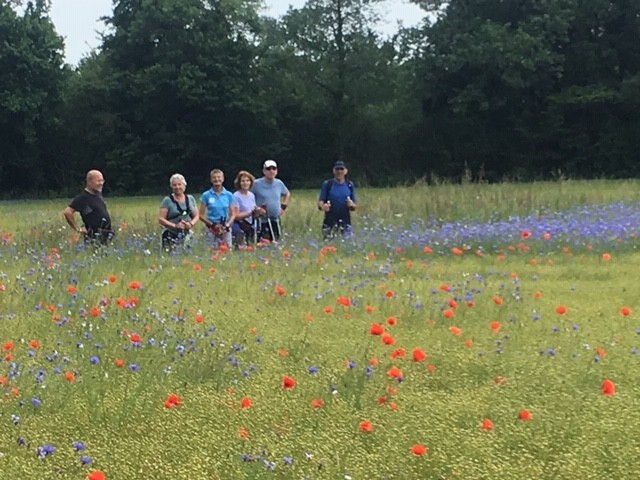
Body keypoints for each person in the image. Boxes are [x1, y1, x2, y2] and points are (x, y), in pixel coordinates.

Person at [63, 169, 114, 244]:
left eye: (102, 181)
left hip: (106, 235)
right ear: (89, 181)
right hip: (93, 237)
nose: (101, 183)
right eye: (98, 181)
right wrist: (77, 229)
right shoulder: (82, 198)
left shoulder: (98, 195)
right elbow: (67, 212)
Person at [251, 160, 290, 241]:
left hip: (275, 219)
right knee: (263, 242)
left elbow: (287, 193)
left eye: (274, 168)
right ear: (264, 171)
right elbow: (248, 197)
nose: (271, 171)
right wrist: (256, 208)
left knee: (276, 241)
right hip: (262, 219)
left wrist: (283, 206)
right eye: (268, 169)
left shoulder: (279, 183)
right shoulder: (256, 184)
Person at [158, 173, 200, 250]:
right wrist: (175, 226)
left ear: (184, 185)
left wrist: (190, 224)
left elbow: (196, 216)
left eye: (179, 184)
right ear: (171, 187)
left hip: (187, 233)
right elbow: (161, 219)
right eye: (174, 185)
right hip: (170, 233)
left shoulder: (190, 199)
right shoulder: (167, 200)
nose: (177, 187)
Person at [318, 160, 357, 239]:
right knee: (328, 244)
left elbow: (354, 205)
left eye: (341, 169)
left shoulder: (349, 185)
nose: (339, 172)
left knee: (347, 244)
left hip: (345, 220)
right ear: (334, 171)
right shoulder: (327, 184)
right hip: (330, 219)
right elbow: (320, 202)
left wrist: (351, 205)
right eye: (337, 169)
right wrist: (323, 207)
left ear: (345, 171)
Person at [199, 169, 237, 247]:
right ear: (211, 180)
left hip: (225, 226)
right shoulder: (206, 195)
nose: (217, 179)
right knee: (211, 250)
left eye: (219, 177)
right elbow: (201, 215)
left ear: (223, 179)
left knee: (226, 249)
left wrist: (227, 225)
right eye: (214, 177)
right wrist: (212, 225)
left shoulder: (229, 195)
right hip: (211, 226)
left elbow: (233, 214)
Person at [232, 170, 257, 246]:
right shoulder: (236, 196)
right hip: (240, 225)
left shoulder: (252, 195)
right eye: (243, 181)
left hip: (251, 224)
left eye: (247, 181)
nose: (245, 183)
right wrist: (250, 213)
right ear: (239, 183)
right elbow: (236, 216)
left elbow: (253, 209)